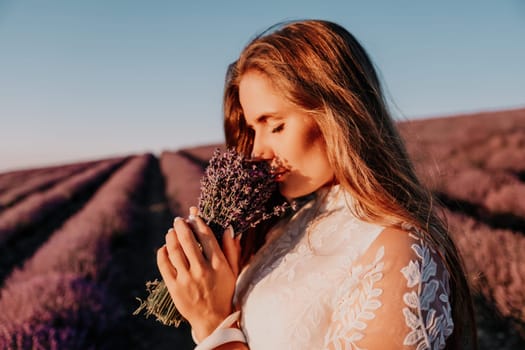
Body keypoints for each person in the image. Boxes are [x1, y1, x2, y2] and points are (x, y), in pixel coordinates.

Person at [157, 19, 478, 349]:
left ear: (338, 113)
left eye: (276, 126)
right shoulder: (286, 227)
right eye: (254, 129)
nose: (257, 151)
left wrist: (213, 325)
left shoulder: (399, 252)